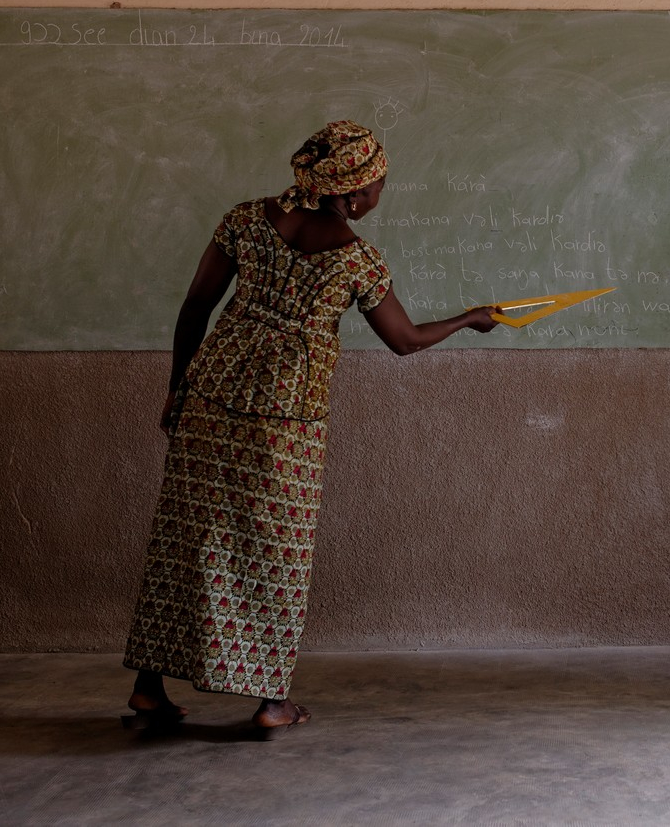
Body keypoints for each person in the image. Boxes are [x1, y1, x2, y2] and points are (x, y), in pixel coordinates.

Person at [123, 120, 502, 738]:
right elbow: (404, 342)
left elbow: (196, 307)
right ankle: (271, 701)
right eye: (379, 183)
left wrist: (178, 386)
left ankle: (147, 689)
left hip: (213, 395)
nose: (381, 193)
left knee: (187, 536)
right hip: (286, 418)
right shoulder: (358, 260)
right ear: (351, 194)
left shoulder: (245, 220)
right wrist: (470, 319)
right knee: (276, 552)